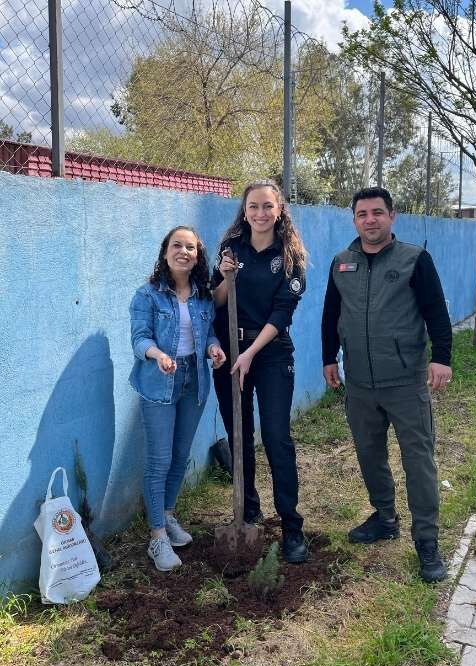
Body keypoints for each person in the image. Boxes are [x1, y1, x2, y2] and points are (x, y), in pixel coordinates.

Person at [321, 187, 454, 582]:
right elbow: (331, 314)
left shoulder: (414, 259)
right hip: (360, 383)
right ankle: (384, 517)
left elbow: (436, 311)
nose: (370, 220)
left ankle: (427, 541)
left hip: (405, 381)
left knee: (419, 461)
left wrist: (442, 357)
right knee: (369, 454)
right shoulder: (341, 263)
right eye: (362, 214)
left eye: (377, 212)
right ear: (354, 220)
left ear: (392, 216)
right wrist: (328, 358)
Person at [212, 180, 309, 564]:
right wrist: (225, 278)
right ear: (245, 210)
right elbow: (215, 301)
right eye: (253, 206)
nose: (260, 213)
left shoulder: (289, 255)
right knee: (239, 435)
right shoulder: (231, 248)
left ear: (280, 209)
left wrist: (251, 352)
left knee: (276, 436)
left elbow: (283, 312)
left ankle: (291, 527)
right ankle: (249, 511)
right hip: (230, 351)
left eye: (268, 206)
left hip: (269, 353)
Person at [129, 226, 226, 571]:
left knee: (180, 456)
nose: (183, 251)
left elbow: (209, 333)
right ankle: (157, 537)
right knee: (160, 460)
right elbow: (139, 339)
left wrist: (213, 348)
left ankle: (167, 515)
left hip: (193, 381)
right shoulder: (147, 295)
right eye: (177, 245)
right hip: (159, 382)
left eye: (190, 247)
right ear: (165, 251)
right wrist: (157, 354)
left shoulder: (203, 296)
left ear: (197, 256)